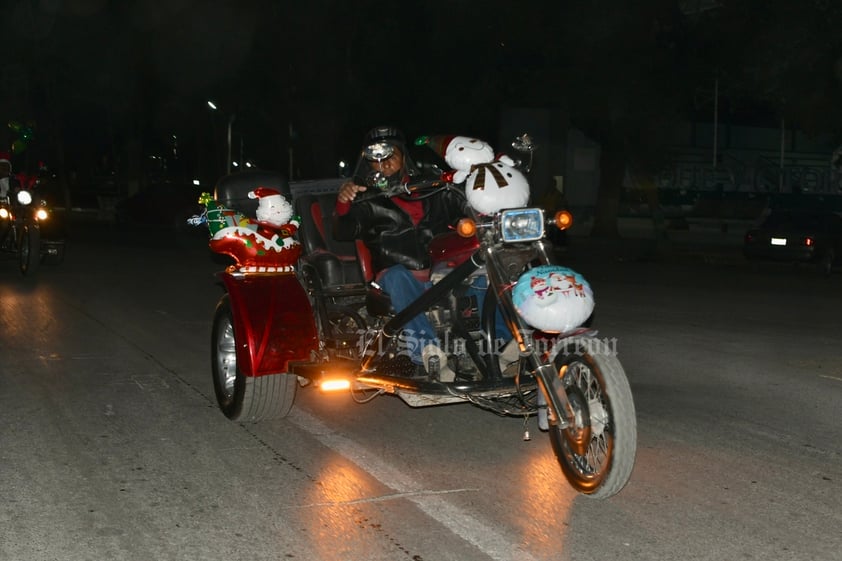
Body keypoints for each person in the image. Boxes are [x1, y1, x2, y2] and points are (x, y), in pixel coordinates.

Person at [333, 126, 469, 379]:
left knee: (480, 268)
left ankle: (505, 347)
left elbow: (461, 202)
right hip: (395, 276)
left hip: (441, 272)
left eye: (389, 156)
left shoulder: (432, 184)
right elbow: (343, 230)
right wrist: (344, 201)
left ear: (403, 155)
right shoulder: (366, 197)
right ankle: (428, 351)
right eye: (375, 160)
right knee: (397, 275)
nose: (383, 164)